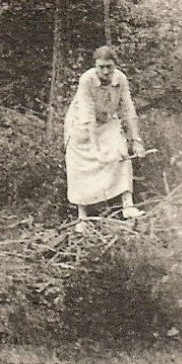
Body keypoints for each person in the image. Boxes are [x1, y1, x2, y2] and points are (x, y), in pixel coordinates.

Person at [64, 45, 146, 232]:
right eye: (101, 67)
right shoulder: (86, 80)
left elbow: (128, 110)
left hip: (107, 119)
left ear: (115, 65)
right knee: (81, 163)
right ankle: (82, 217)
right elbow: (87, 115)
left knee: (121, 152)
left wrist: (136, 141)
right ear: (95, 65)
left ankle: (128, 205)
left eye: (109, 66)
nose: (105, 71)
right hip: (81, 123)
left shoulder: (121, 79)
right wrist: (95, 149)